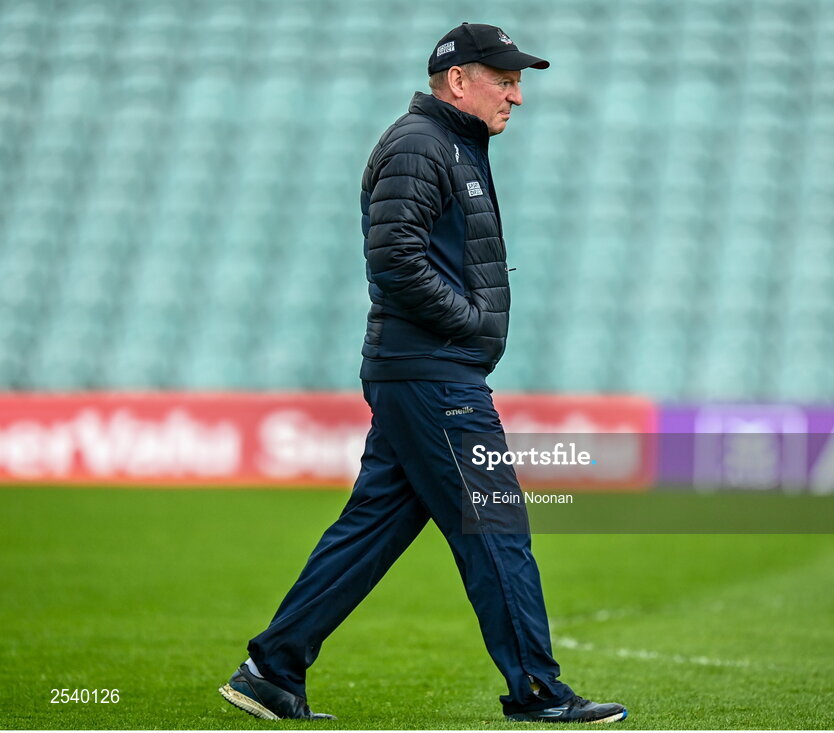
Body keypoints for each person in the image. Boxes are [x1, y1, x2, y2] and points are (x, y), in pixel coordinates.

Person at [218, 23, 627, 724]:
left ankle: (272, 667)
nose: (518, 96)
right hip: (436, 376)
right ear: (459, 79)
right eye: (506, 80)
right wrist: (468, 320)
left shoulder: (448, 145)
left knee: (373, 526)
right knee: (497, 527)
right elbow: (395, 256)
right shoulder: (420, 144)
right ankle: (536, 689)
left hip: (423, 371)